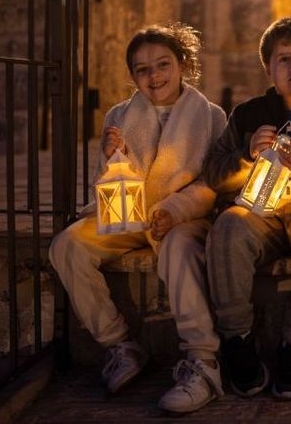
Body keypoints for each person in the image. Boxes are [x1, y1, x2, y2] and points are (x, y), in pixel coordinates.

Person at [49, 23, 227, 413]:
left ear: (183, 65)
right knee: (68, 246)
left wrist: (173, 210)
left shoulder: (211, 117)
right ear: (132, 75)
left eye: (163, 64)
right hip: (128, 216)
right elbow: (109, 182)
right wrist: (116, 157)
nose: (154, 76)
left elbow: (213, 184)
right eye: (142, 69)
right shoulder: (119, 115)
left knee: (179, 251)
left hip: (180, 218)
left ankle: (203, 360)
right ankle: (120, 345)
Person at [203, 16, 291, 400]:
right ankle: (237, 341)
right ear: (268, 68)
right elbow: (215, 173)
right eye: (284, 59)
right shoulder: (249, 114)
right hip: (258, 210)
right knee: (228, 228)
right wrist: (247, 157)